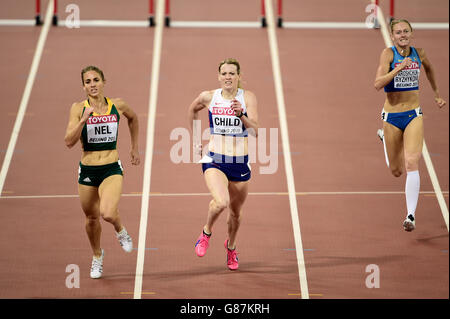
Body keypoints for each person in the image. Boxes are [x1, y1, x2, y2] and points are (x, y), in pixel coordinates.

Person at [64, 66, 140, 278]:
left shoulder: (117, 105)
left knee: (107, 212)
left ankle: (120, 230)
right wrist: (83, 120)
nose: (92, 84)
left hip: (111, 167)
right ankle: (97, 256)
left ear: (104, 81)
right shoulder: (78, 108)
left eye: (96, 80)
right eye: (88, 81)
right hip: (88, 169)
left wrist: (134, 147)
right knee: (91, 218)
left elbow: (133, 118)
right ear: (83, 86)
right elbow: (68, 142)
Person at [374, 19, 446, 232]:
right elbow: (377, 84)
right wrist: (398, 69)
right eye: (398, 32)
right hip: (392, 117)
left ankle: (410, 216)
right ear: (393, 36)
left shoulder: (419, 53)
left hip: (413, 114)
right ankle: (384, 140)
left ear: (411, 33)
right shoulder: (387, 55)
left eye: (406, 31)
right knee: (396, 171)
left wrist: (436, 94)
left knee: (412, 162)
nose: (402, 35)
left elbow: (430, 69)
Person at [188, 58, 259, 270]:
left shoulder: (247, 97)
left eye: (232, 73)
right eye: (224, 73)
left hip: (239, 162)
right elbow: (192, 111)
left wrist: (242, 115)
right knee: (220, 202)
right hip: (214, 159)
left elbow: (255, 131)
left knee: (236, 214)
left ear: (239, 76)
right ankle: (206, 232)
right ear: (218, 76)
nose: (228, 77)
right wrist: (195, 141)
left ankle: (231, 247)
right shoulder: (209, 97)